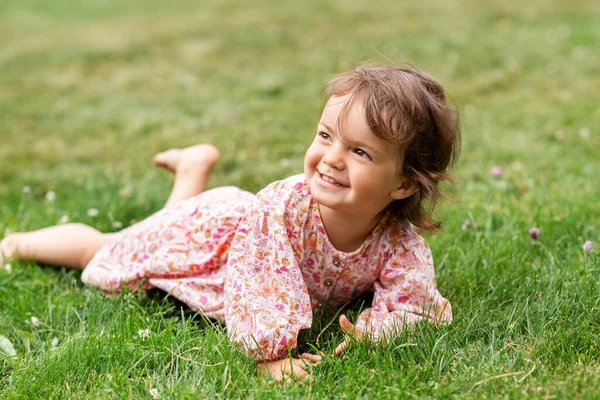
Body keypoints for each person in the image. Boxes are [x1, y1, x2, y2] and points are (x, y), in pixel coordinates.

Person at [0, 63, 460, 381]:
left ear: (402, 184)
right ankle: (15, 244)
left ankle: (191, 169)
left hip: (238, 246)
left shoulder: (400, 243)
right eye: (326, 136)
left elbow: (415, 304)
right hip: (219, 234)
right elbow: (261, 284)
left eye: (360, 151)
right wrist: (270, 355)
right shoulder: (281, 209)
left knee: (159, 225)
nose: (331, 159)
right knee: (105, 247)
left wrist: (374, 334)